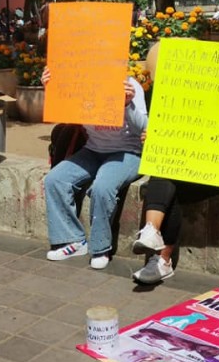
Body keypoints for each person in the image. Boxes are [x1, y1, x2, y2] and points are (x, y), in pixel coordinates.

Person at [131, 91, 219, 284]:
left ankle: (162, 259)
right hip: (188, 162)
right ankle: (151, 233)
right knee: (162, 172)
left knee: (172, 188)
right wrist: (155, 138)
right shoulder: (187, 86)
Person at [42, 67, 148, 270]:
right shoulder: (80, 84)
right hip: (93, 149)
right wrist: (51, 89)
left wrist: (127, 104)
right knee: (54, 179)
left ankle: (101, 248)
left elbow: (143, 127)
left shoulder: (130, 84)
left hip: (128, 152)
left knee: (102, 186)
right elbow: (66, 114)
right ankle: (72, 239)